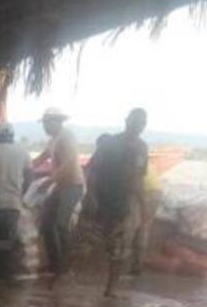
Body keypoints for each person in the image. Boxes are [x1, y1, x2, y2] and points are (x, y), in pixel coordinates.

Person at [85, 107, 150, 293]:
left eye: (142, 123)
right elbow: (92, 170)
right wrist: (91, 196)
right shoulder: (110, 143)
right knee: (85, 243)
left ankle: (110, 289)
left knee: (119, 249)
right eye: (135, 121)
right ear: (126, 121)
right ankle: (64, 283)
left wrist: (143, 205)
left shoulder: (142, 148)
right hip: (100, 198)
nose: (138, 126)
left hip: (122, 203)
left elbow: (138, 179)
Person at [31, 107, 85, 277]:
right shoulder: (52, 140)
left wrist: (50, 180)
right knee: (47, 224)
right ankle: (55, 264)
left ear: (57, 122)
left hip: (73, 186)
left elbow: (69, 162)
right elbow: (41, 158)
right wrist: (25, 168)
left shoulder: (67, 137)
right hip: (60, 186)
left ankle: (66, 266)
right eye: (44, 123)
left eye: (47, 123)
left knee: (61, 224)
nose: (44, 127)